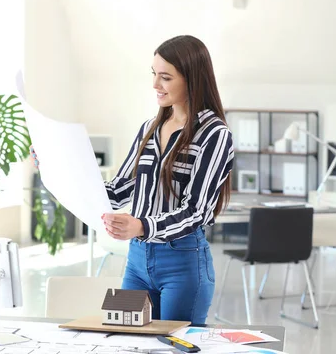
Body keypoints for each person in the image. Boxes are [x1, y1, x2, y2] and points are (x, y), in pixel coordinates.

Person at [30, 35, 234, 324]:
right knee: (127, 340)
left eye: (165, 77)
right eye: (153, 74)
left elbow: (196, 211)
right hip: (137, 261)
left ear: (192, 79)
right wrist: (54, 166)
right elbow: (118, 191)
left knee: (172, 345)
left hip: (183, 262)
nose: (155, 85)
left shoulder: (215, 135)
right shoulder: (149, 129)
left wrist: (141, 225)